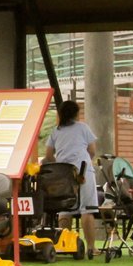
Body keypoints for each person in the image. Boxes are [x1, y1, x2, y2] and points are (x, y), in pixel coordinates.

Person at [45, 100, 100, 257]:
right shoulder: (83, 127)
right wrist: (83, 160)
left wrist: (60, 164)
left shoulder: (56, 131)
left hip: (64, 173)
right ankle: (91, 247)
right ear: (76, 113)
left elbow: (49, 155)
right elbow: (92, 150)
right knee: (87, 209)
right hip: (83, 171)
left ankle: (65, 245)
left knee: (65, 209)